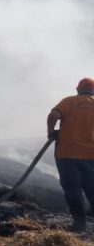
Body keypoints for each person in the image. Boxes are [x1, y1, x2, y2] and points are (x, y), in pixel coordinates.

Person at [46, 77, 94, 232]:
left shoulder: (69, 102)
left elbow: (53, 115)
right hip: (91, 155)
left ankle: (79, 223)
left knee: (72, 189)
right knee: (92, 189)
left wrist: (51, 132)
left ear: (78, 89)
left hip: (67, 154)